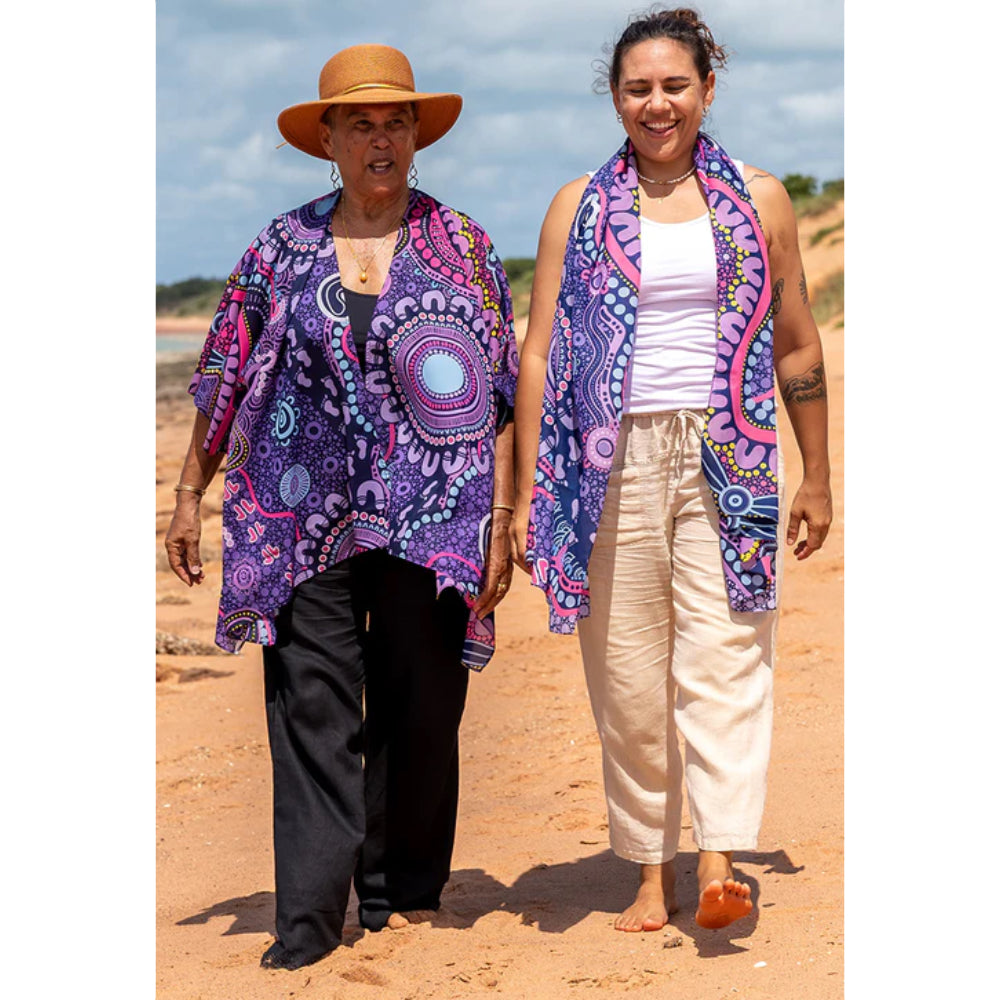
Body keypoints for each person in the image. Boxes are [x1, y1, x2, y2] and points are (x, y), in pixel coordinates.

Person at [164, 44, 518, 970]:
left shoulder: (464, 247)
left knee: (422, 702)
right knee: (311, 708)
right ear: (327, 140)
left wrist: (503, 517)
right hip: (299, 513)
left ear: (417, 137)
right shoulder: (278, 248)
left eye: (396, 122)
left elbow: (505, 394)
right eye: (360, 123)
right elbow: (224, 372)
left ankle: (400, 891)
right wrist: (189, 491)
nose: (380, 138)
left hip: (437, 512)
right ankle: (311, 921)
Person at [512, 7, 832, 933]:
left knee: (728, 653)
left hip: (729, 453)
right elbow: (539, 352)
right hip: (606, 460)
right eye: (638, 89)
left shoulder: (760, 199)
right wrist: (526, 493)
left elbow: (797, 341)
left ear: (708, 89)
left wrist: (817, 475)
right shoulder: (577, 206)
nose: (658, 104)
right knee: (626, 673)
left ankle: (720, 857)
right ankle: (652, 871)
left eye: (675, 86)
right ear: (615, 99)